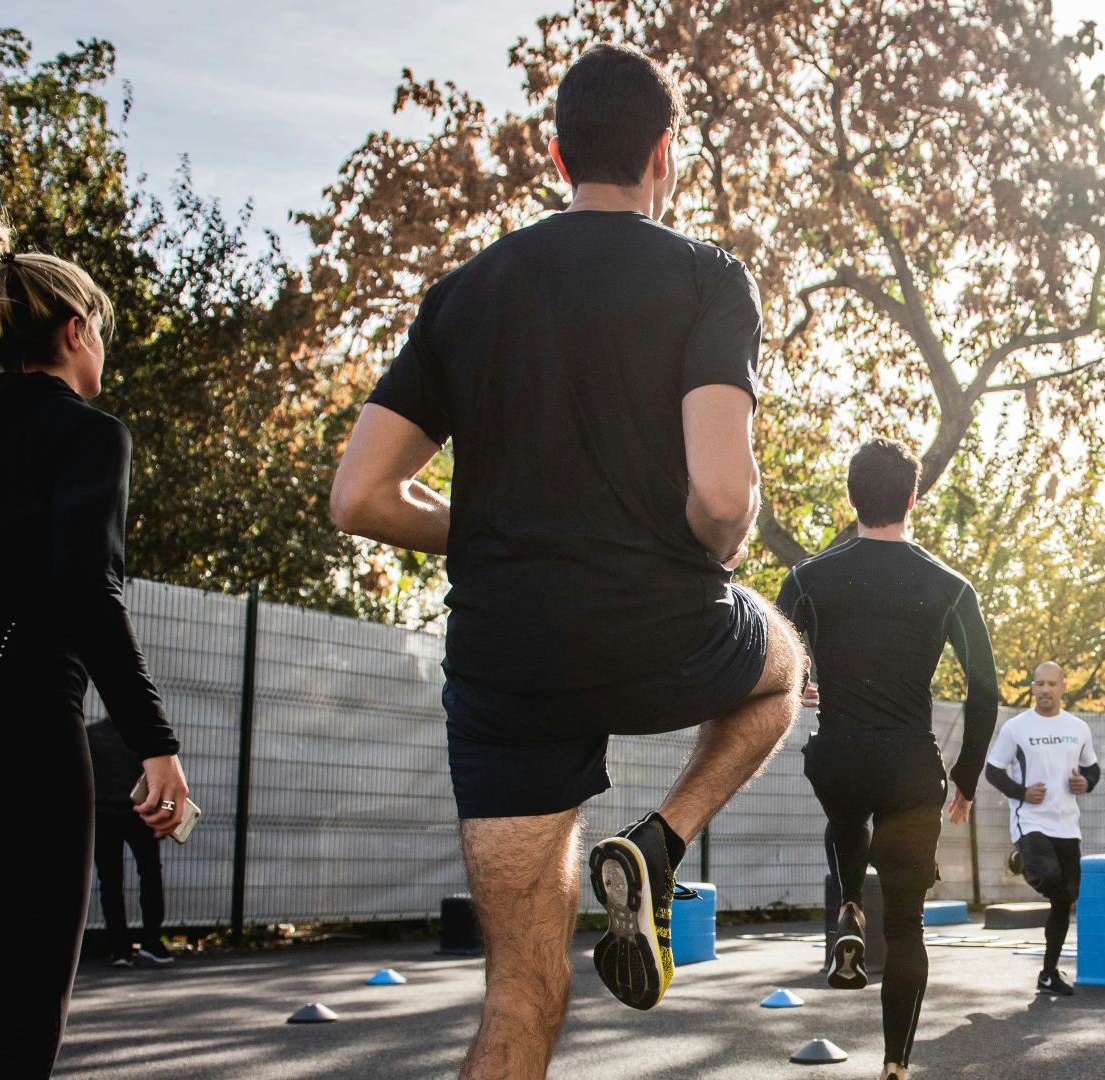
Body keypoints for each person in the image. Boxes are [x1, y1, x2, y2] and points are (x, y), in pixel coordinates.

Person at [330, 43, 802, 1080]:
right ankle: (663, 842)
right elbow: (723, 498)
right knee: (783, 669)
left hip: (507, 664)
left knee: (518, 989)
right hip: (657, 626)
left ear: (557, 155)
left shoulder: (466, 291)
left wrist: (502, 522)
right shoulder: (705, 278)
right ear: (663, 157)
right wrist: (707, 548)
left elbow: (359, 495)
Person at [0, 212, 191, 1077]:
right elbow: (87, 591)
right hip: (25, 736)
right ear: (76, 332)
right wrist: (155, 744)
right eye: (100, 335)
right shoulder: (88, 433)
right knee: (29, 998)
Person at [775, 438, 999, 1080]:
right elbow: (986, 690)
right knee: (906, 929)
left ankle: (848, 904)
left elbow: (771, 663)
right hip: (910, 768)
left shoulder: (805, 578)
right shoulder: (950, 586)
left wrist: (803, 685)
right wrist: (965, 776)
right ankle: (896, 1064)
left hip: (838, 755)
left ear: (852, 498)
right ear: (912, 497)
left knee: (845, 812)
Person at [984, 661, 1101, 997]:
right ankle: (1024, 858)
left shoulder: (1078, 727)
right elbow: (993, 772)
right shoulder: (1016, 728)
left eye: (1052, 684)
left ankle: (1048, 974)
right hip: (1030, 821)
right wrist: (1021, 793)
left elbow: (1093, 769)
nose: (1046, 690)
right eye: (1040, 684)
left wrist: (1085, 783)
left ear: (1062, 687)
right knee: (1049, 878)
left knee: (1066, 897)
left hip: (1067, 824)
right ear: (1032, 688)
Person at [86, 719, 172, 967]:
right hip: (140, 815)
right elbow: (162, 781)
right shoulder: (144, 736)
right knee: (150, 874)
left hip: (103, 816)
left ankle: (120, 948)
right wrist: (166, 813)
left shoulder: (91, 736)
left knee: (111, 883)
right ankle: (152, 941)